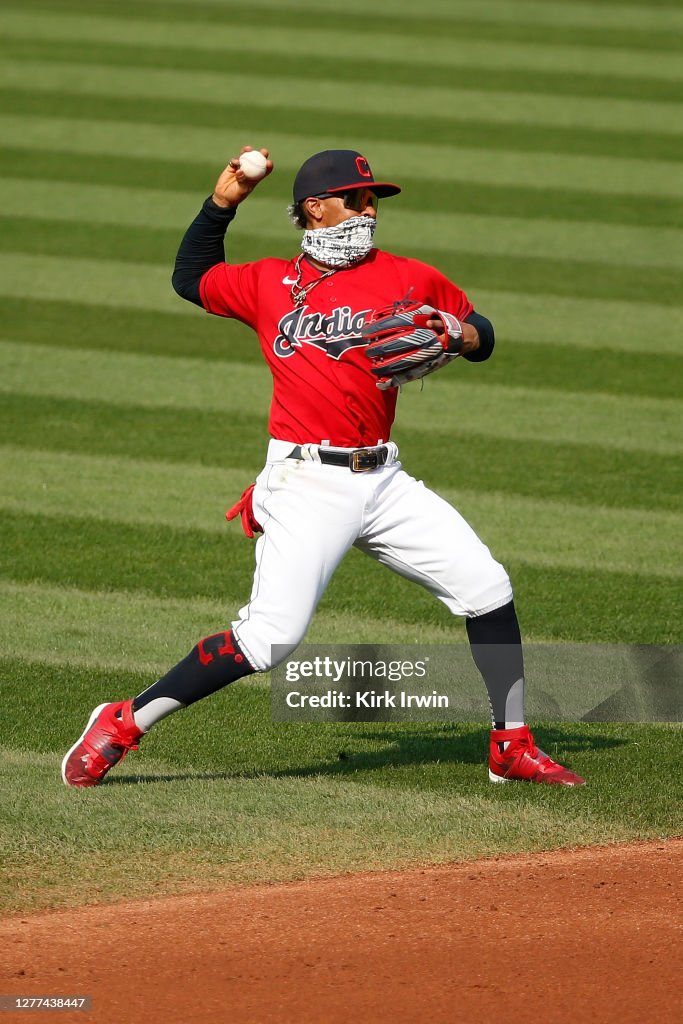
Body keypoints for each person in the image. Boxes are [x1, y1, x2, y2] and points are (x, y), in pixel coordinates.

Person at [62, 147, 585, 788]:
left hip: (384, 480)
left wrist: (463, 335)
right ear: (316, 208)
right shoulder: (265, 283)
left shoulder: (409, 276)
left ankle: (510, 742)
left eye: (374, 201)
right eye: (357, 199)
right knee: (269, 641)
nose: (369, 211)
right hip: (305, 482)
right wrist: (223, 201)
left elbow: (481, 330)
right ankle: (121, 721)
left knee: (487, 589)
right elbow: (190, 276)